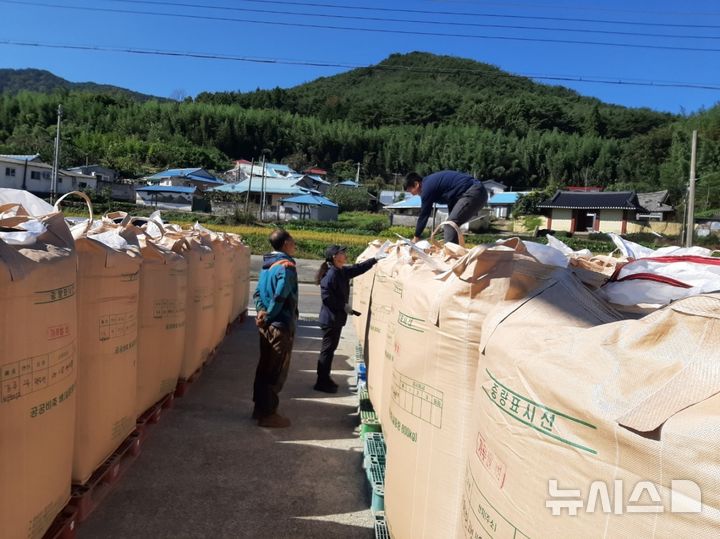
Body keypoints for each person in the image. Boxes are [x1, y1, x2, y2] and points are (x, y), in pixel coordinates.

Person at [314, 245, 387, 393]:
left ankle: (325, 378)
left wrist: (375, 259)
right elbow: (327, 298)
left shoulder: (340, 271)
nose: (344, 254)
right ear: (334, 256)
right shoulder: (331, 274)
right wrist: (344, 306)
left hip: (336, 319)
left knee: (330, 350)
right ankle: (321, 381)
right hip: (330, 320)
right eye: (342, 253)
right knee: (327, 351)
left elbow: (357, 268)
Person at [252, 229, 299, 428]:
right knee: (276, 371)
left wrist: (261, 312)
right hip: (280, 325)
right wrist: (270, 313)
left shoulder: (267, 266)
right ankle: (269, 414)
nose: (295, 245)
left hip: (266, 325)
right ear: (286, 243)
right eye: (293, 242)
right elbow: (280, 296)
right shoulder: (286, 267)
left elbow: (256, 294)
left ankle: (259, 409)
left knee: (264, 368)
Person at [404, 170, 488, 244]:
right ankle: (456, 253)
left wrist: (416, 237)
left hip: (474, 192)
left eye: (410, 190)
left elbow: (424, 214)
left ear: (416, 184)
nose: (412, 194)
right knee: (452, 224)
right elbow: (452, 200)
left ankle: (451, 257)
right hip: (477, 192)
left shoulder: (427, 188)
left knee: (449, 225)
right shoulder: (431, 184)